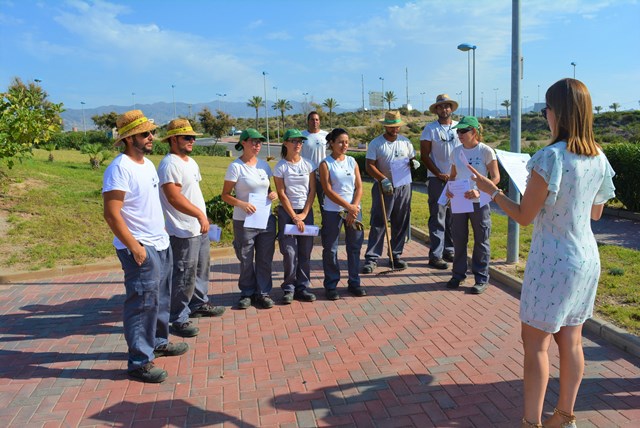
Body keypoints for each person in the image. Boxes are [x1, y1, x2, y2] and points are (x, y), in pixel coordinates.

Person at [469, 79, 615, 428]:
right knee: (573, 340)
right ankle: (565, 415)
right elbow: (596, 213)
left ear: (556, 113)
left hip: (553, 259)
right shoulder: (599, 157)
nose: (546, 115)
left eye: (547, 109)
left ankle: (531, 422)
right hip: (586, 257)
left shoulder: (550, 157)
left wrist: (492, 191)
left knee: (535, 343)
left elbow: (523, 215)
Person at [102, 110, 188, 383]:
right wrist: (135, 247)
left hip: (160, 242)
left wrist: (161, 230)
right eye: (145, 134)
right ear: (129, 139)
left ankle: (159, 342)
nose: (152, 137)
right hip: (140, 247)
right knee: (142, 304)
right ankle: (139, 361)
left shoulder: (148, 165)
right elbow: (112, 214)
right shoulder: (119, 168)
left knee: (161, 299)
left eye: (151, 132)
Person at [158, 119, 225, 338]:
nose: (192, 141)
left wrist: (203, 216)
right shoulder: (170, 164)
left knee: (200, 270)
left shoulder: (190, 162)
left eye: (193, 137)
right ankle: (178, 317)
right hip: (183, 230)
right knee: (183, 275)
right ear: (173, 139)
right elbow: (173, 197)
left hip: (198, 227)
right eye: (187, 137)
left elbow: (192, 192)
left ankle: (198, 304)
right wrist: (197, 214)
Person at [221, 128, 278, 309]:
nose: (257, 145)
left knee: (264, 258)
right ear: (243, 143)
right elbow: (225, 195)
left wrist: (272, 194)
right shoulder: (235, 167)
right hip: (244, 220)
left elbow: (267, 189)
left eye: (259, 142)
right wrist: (241, 204)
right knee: (246, 258)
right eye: (253, 141)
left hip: (265, 219)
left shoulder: (264, 166)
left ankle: (263, 293)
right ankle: (246, 292)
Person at [445, 116, 499, 295]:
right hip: (459, 201)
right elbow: (452, 176)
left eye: (463, 131)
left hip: (480, 202)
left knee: (481, 240)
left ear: (474, 131)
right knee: (459, 239)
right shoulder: (456, 151)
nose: (459, 134)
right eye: (458, 131)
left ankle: (481, 278)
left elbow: (496, 177)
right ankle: (458, 275)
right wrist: (449, 190)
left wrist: (480, 191)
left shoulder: (486, 151)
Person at [362, 111, 419, 273]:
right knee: (379, 221)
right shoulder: (376, 144)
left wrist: (413, 163)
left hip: (403, 185)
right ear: (385, 126)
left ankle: (396, 255)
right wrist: (382, 179)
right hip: (384, 187)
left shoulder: (406, 142)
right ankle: (372, 258)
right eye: (392, 126)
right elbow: (369, 166)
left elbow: (411, 159)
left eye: (397, 126)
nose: (395, 129)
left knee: (400, 221)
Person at [319, 128, 366, 300]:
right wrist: (348, 207)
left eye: (346, 142)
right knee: (330, 249)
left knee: (354, 247)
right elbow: (328, 190)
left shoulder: (352, 161)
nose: (344, 145)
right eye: (340, 142)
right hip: (333, 212)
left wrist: (353, 207)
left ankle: (354, 282)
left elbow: (359, 187)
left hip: (354, 211)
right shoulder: (326, 164)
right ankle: (331, 285)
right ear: (332, 143)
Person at [273, 129, 317, 304]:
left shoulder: (309, 164)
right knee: (290, 252)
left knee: (305, 252)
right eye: (294, 141)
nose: (298, 144)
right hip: (287, 213)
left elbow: (312, 190)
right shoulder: (280, 167)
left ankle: (303, 287)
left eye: (300, 141)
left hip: (306, 212)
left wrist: (304, 213)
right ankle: (289, 288)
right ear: (285, 143)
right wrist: (294, 216)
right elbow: (281, 193)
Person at [420, 94, 461, 270]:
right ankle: (435, 255)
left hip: (457, 179)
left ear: (451, 108)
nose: (444, 109)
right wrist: (438, 174)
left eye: (447, 106)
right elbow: (424, 156)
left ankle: (449, 249)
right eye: (440, 107)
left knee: (454, 216)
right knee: (438, 215)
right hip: (437, 179)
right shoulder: (430, 129)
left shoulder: (460, 127)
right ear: (436, 109)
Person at [301, 111, 328, 212]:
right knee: (306, 201)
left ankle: (326, 225)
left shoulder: (326, 135)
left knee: (324, 202)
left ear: (319, 122)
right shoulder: (302, 135)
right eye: (312, 119)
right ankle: (307, 224)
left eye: (317, 119)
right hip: (307, 173)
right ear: (308, 121)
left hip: (322, 173)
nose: (315, 122)